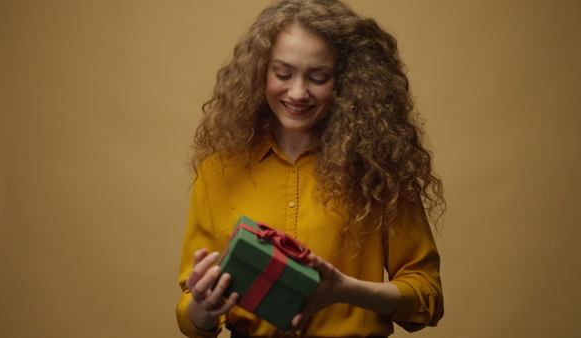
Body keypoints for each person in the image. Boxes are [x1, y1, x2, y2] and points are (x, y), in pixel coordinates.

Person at [176, 0, 445, 337]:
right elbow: (191, 314)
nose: (298, 92)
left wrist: (344, 289)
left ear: (346, 82)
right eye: (283, 73)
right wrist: (203, 306)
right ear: (260, 72)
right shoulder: (217, 170)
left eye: (318, 77)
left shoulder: (381, 170)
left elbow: (427, 298)